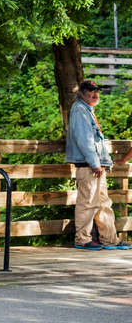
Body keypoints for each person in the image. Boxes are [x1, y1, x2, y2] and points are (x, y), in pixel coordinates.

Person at [66, 79, 131, 250]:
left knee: (103, 203)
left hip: (97, 166)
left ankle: (110, 240)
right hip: (88, 166)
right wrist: (95, 163)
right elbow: (84, 140)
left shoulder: (88, 110)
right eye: (90, 91)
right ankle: (82, 239)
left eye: (97, 91)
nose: (95, 94)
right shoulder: (79, 110)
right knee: (87, 203)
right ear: (81, 92)